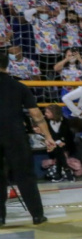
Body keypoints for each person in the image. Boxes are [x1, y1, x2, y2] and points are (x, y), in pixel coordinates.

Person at [0, 50, 56, 225]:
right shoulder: (19, 86)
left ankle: (1, 218)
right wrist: (47, 137)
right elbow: (36, 115)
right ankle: (37, 215)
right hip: (15, 135)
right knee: (25, 176)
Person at [44, 104, 77, 182]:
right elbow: (48, 135)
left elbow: (68, 136)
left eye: (48, 112)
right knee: (58, 150)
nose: (45, 114)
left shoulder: (65, 121)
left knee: (59, 149)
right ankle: (67, 170)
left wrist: (61, 142)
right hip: (52, 144)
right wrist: (57, 142)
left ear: (54, 113)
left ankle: (58, 175)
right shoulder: (45, 122)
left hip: (66, 144)